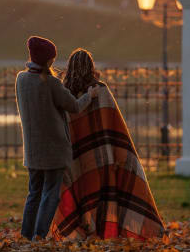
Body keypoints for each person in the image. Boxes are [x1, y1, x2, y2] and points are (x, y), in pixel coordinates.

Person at [50, 48, 165, 240]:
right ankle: (102, 233)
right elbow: (114, 125)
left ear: (69, 68)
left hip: (75, 156)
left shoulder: (65, 93)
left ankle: (82, 234)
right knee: (103, 194)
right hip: (103, 156)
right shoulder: (100, 90)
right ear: (91, 67)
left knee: (81, 191)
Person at [15, 37, 99, 241]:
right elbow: (75, 106)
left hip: (33, 149)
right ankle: (40, 234)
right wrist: (91, 95)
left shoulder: (21, 79)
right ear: (47, 60)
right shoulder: (51, 83)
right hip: (54, 149)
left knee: (34, 193)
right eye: (52, 58)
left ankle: (26, 234)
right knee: (51, 193)